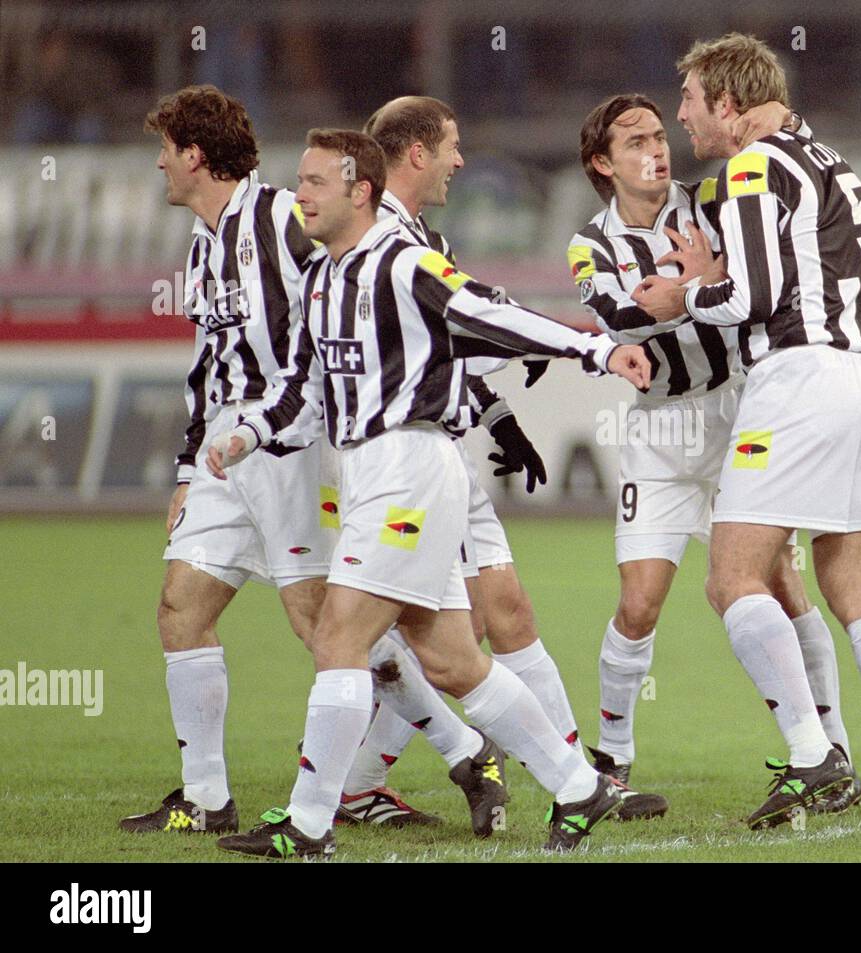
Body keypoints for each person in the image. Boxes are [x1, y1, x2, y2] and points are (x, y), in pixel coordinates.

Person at [208, 129, 652, 856]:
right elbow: (303, 391)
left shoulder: (403, 263)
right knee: (451, 659)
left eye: (315, 181)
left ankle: (309, 823)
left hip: (409, 467)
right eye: (299, 180)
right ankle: (579, 785)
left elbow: (494, 315)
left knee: (339, 637)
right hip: (371, 475)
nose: (300, 196)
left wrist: (597, 349)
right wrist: (248, 434)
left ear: (361, 191)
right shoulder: (322, 277)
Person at [634, 34, 861, 830]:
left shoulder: (752, 165)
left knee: (732, 577)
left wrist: (682, 298)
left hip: (799, 379)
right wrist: (716, 277)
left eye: (692, 102)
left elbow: (751, 297)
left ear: (731, 106)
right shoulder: (834, 162)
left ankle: (812, 755)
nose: (682, 118)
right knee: (855, 586)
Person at [353, 94, 665, 822]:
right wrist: (588, 348)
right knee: (399, 639)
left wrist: (495, 415)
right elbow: (479, 318)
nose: (463, 161)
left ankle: (582, 779)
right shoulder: (380, 244)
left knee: (501, 614)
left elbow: (449, 341)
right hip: (395, 459)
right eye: (453, 145)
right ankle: (372, 779)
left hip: (444, 448)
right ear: (417, 152)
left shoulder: (416, 237)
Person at [568, 92, 861, 815]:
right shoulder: (590, 244)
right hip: (660, 431)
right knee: (639, 604)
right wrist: (684, 291)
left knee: (780, 583)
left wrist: (694, 285)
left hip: (740, 412)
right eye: (635, 141)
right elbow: (613, 315)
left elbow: (752, 277)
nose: (657, 149)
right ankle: (612, 759)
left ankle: (829, 748)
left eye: (660, 135)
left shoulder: (711, 198)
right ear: (602, 163)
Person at [120, 85, 331, 837]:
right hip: (223, 449)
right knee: (181, 606)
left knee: (321, 623)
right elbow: (209, 363)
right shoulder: (205, 243)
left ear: (196, 156)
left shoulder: (275, 215)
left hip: (292, 441)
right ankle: (206, 797)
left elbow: (337, 301)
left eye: (167, 150)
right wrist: (186, 470)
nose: (159, 163)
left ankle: (466, 752)